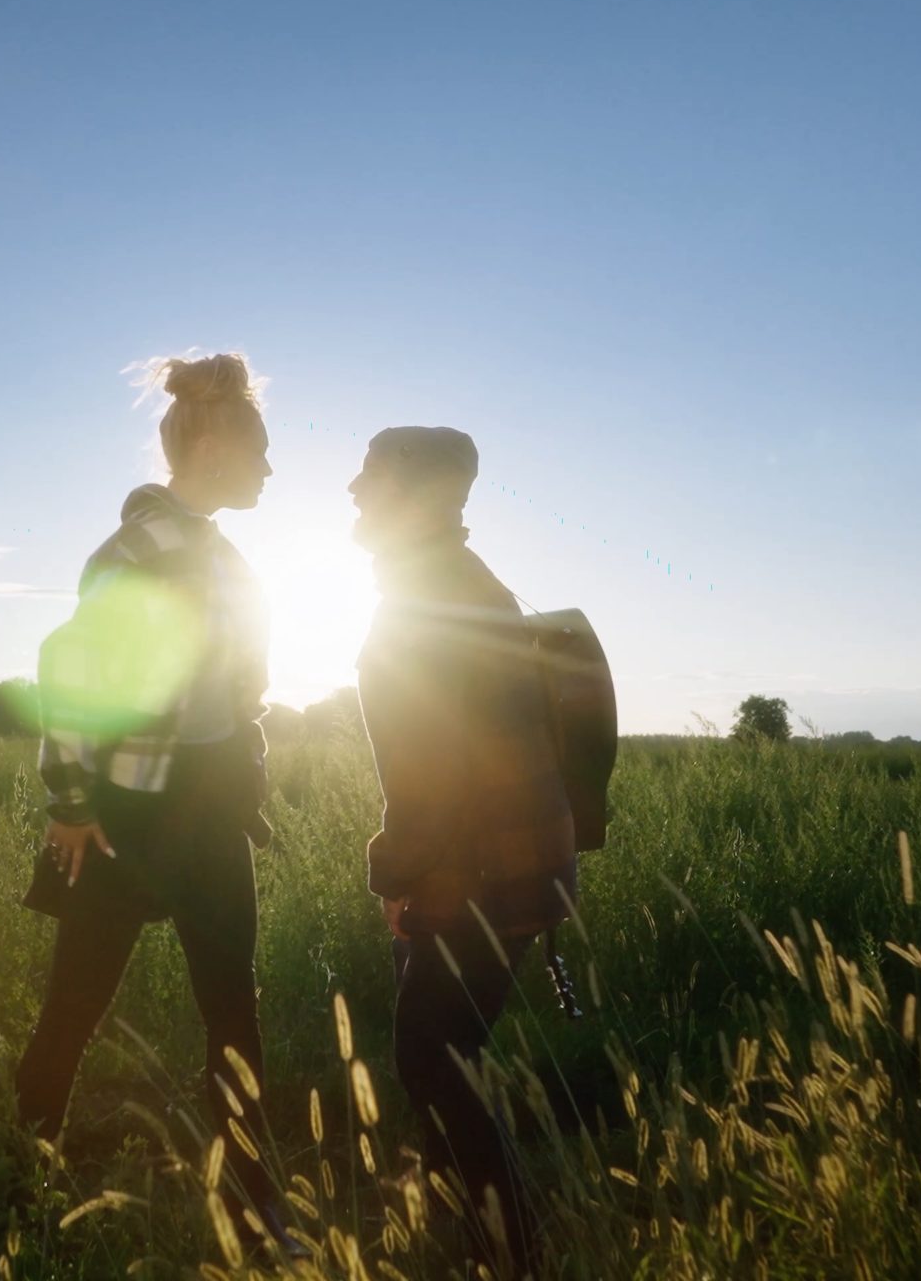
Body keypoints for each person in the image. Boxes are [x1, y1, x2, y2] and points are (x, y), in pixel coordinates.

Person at [14, 352, 293, 1250]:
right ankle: (26, 1183)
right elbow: (68, 672)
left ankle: (256, 1215)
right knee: (75, 1006)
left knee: (233, 1012)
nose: (270, 468)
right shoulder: (135, 549)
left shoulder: (221, 550)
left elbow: (236, 674)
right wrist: (68, 799)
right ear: (211, 443)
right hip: (129, 817)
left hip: (212, 808)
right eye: (261, 449)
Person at [350, 426, 578, 1277]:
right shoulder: (464, 587)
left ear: (418, 496)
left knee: (433, 1061)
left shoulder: (429, 599)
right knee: (450, 1057)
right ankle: (478, 1242)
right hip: (516, 868)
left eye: (369, 475)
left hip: (476, 875)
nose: (351, 489)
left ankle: (512, 1254)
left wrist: (398, 874)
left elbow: (433, 772)